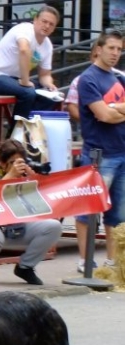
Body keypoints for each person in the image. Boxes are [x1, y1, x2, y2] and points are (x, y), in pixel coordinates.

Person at [0, 139, 62, 285]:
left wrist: (34, 179)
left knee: (53, 226)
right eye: (13, 162)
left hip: (20, 223)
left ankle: (25, 267)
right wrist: (10, 176)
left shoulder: (26, 173)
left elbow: (44, 201)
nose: (18, 166)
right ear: (3, 163)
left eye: (20, 162)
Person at [76, 29, 125, 272]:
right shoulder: (89, 79)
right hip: (99, 153)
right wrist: (115, 111)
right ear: (98, 49)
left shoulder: (119, 78)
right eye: (111, 48)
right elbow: (102, 115)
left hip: (122, 152)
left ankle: (112, 263)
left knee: (118, 213)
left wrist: (114, 107)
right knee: (89, 210)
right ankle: (85, 262)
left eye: (119, 49)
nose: (116, 53)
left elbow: (109, 111)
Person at [0, 5, 61, 136]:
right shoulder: (24, 29)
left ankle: (30, 133)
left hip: (12, 79)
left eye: (51, 24)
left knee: (50, 97)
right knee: (28, 92)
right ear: (35, 20)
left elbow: (44, 75)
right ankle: (14, 137)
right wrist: (25, 80)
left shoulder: (47, 46)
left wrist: (49, 85)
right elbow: (24, 49)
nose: (47, 26)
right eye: (44, 21)